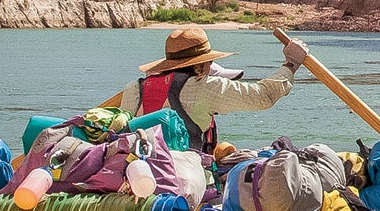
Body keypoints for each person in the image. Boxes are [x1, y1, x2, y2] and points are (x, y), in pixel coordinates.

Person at [123, 27, 306, 155]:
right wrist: (291, 64)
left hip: (137, 169)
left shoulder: (134, 87)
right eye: (209, 61)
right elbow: (263, 96)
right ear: (203, 63)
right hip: (182, 176)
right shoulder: (206, 87)